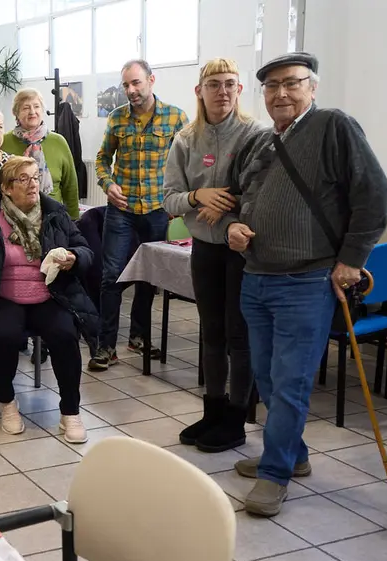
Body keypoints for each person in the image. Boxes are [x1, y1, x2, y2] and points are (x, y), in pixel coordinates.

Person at [221, 52, 387, 516]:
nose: (281, 93)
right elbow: (242, 199)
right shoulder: (263, 142)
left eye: (291, 83)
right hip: (256, 278)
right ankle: (292, 456)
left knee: (291, 383)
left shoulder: (334, 126)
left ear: (311, 88)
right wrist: (234, 225)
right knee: (267, 377)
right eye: (272, 86)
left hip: (307, 280)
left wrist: (352, 260)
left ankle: (275, 473)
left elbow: (375, 199)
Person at [0, 157, 97, 444]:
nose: (32, 184)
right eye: (23, 179)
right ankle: (7, 403)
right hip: (2, 295)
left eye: (35, 177)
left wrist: (74, 258)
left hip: (48, 293)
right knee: (3, 335)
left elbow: (84, 249)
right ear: (6, 188)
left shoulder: (54, 212)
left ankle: (70, 412)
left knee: (65, 333)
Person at [162, 58, 264, 453]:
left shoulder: (255, 134)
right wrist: (197, 196)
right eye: (214, 84)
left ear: (239, 90)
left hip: (242, 250)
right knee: (212, 332)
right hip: (204, 249)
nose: (222, 91)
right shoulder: (186, 139)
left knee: (239, 336)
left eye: (230, 84)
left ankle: (237, 417)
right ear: (199, 91)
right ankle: (213, 409)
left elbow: (261, 193)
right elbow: (169, 199)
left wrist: (226, 203)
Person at [90, 60, 188, 370]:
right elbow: (102, 159)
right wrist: (108, 184)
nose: (131, 90)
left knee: (150, 277)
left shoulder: (176, 117)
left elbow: (185, 164)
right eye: (126, 85)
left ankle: (139, 337)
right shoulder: (117, 119)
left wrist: (178, 205)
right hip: (121, 210)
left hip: (158, 210)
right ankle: (106, 346)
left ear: (151, 80)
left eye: (136, 83)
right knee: (111, 277)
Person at [1, 88, 79, 220]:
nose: (32, 112)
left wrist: (73, 220)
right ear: (16, 113)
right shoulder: (4, 142)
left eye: (36, 106)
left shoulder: (58, 142)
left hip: (53, 217)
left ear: (42, 110)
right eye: (26, 108)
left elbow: (70, 185)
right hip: (14, 218)